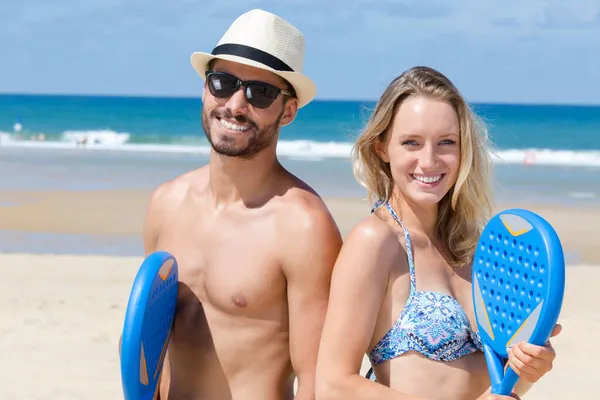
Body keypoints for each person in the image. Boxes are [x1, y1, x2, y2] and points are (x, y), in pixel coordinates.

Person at [314, 66, 561, 400]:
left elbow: (496, 387)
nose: (429, 161)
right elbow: (333, 386)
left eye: (446, 142)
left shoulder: (478, 248)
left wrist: (527, 372)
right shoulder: (376, 242)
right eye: (411, 143)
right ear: (382, 149)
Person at [141, 9, 343, 400]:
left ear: (287, 111)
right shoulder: (166, 204)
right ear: (204, 88)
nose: (235, 105)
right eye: (222, 83)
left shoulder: (303, 226)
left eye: (260, 93)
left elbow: (316, 382)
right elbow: (148, 341)